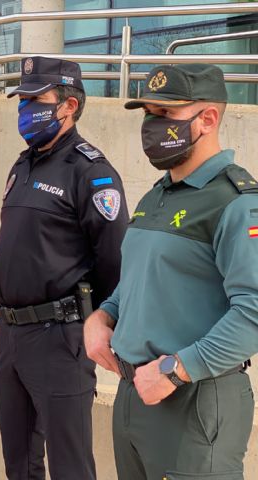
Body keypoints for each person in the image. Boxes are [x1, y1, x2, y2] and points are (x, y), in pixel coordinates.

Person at [84, 63, 258, 479]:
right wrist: (103, 315)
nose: (151, 125)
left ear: (209, 119)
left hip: (193, 399)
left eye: (166, 114)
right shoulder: (155, 195)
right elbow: (139, 280)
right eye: (148, 113)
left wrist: (176, 370)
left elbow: (253, 311)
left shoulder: (235, 201)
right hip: (133, 395)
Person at [0, 56, 129, 480]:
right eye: (22, 99)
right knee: (19, 461)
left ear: (68, 106)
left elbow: (114, 260)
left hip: (60, 336)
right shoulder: (23, 164)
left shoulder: (91, 173)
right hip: (11, 334)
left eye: (36, 99)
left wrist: (99, 325)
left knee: (69, 465)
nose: (25, 108)